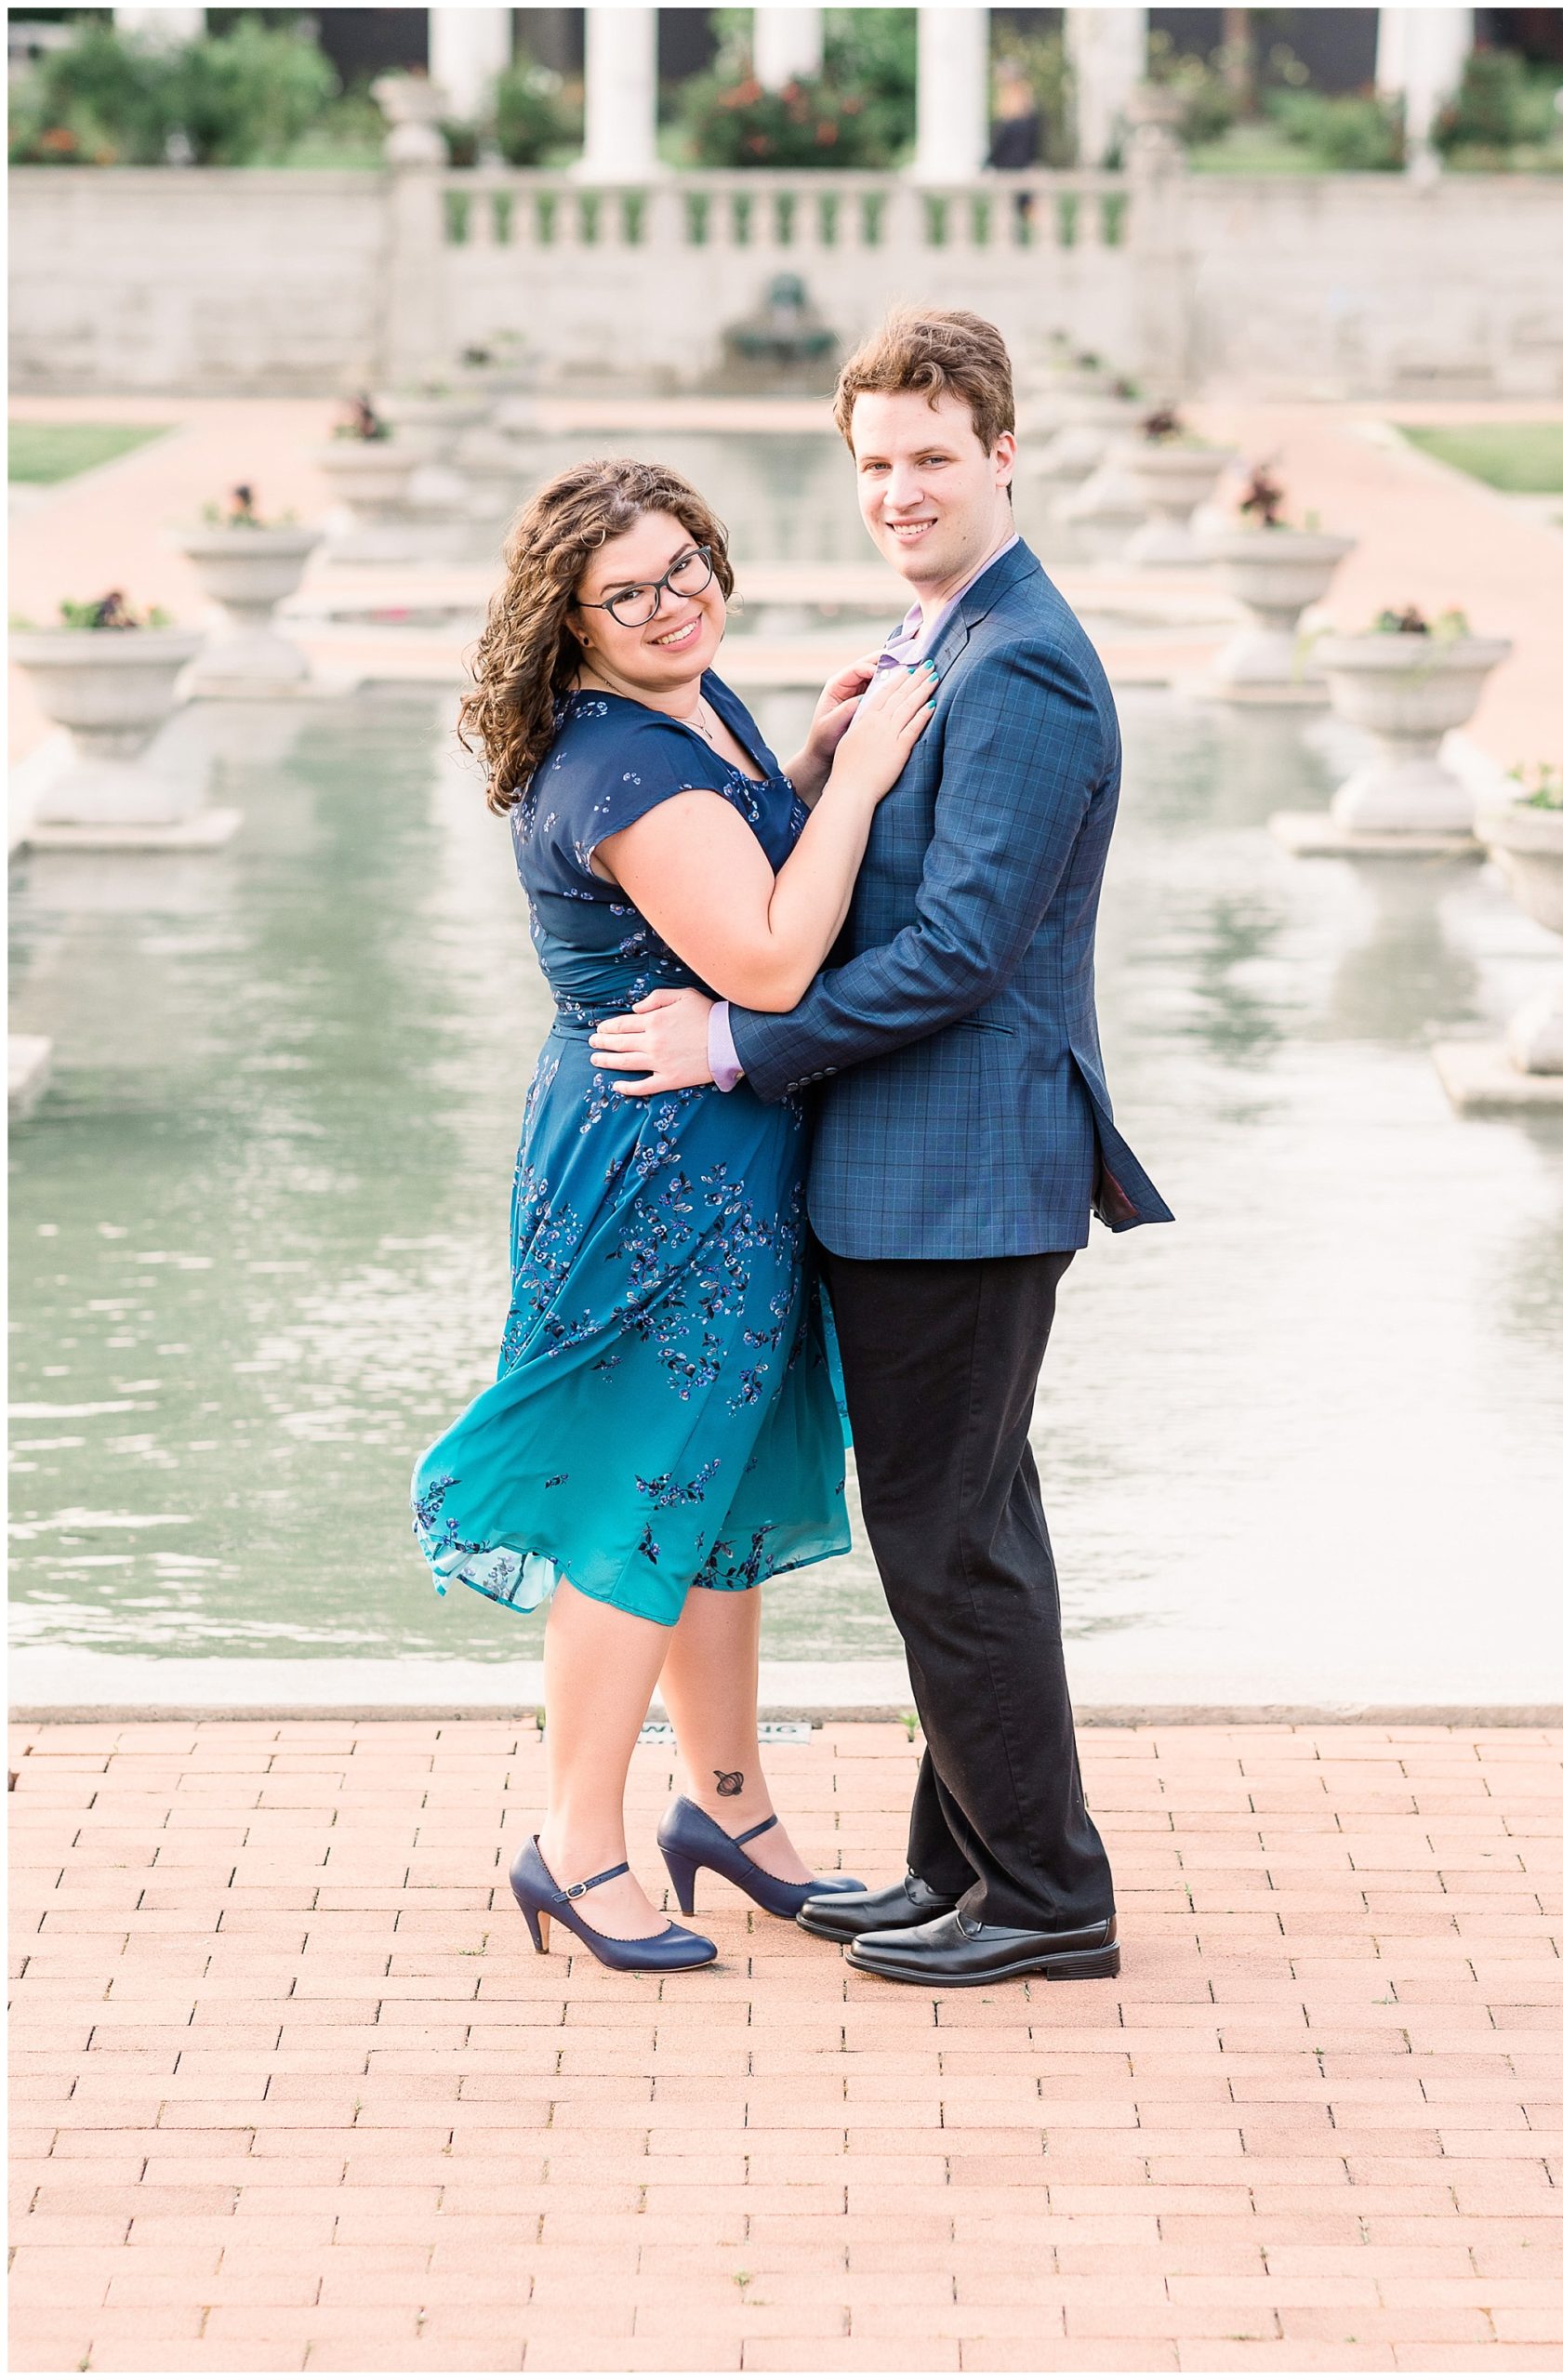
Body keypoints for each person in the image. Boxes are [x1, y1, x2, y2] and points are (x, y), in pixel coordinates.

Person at [589, 310, 1173, 1990]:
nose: (900, 490)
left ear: (1003, 452)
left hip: (964, 1175)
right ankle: (961, 1869)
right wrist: (824, 761)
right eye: (875, 462)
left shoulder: (1025, 661)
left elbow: (963, 951)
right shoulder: (943, 634)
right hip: (916, 1173)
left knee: (949, 1543)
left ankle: (1049, 1900)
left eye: (933, 457)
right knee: (961, 1529)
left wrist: (736, 1041)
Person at [411, 456, 934, 1973]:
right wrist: (859, 782)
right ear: (569, 620)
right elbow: (767, 963)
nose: (669, 603)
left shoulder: (694, 710)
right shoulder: (623, 765)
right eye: (626, 592)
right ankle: (575, 1843)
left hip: (722, 1145)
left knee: (710, 1485)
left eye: (684, 565)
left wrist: (808, 761)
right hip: (655, 1169)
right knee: (636, 1494)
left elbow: (744, 874)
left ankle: (728, 1810)